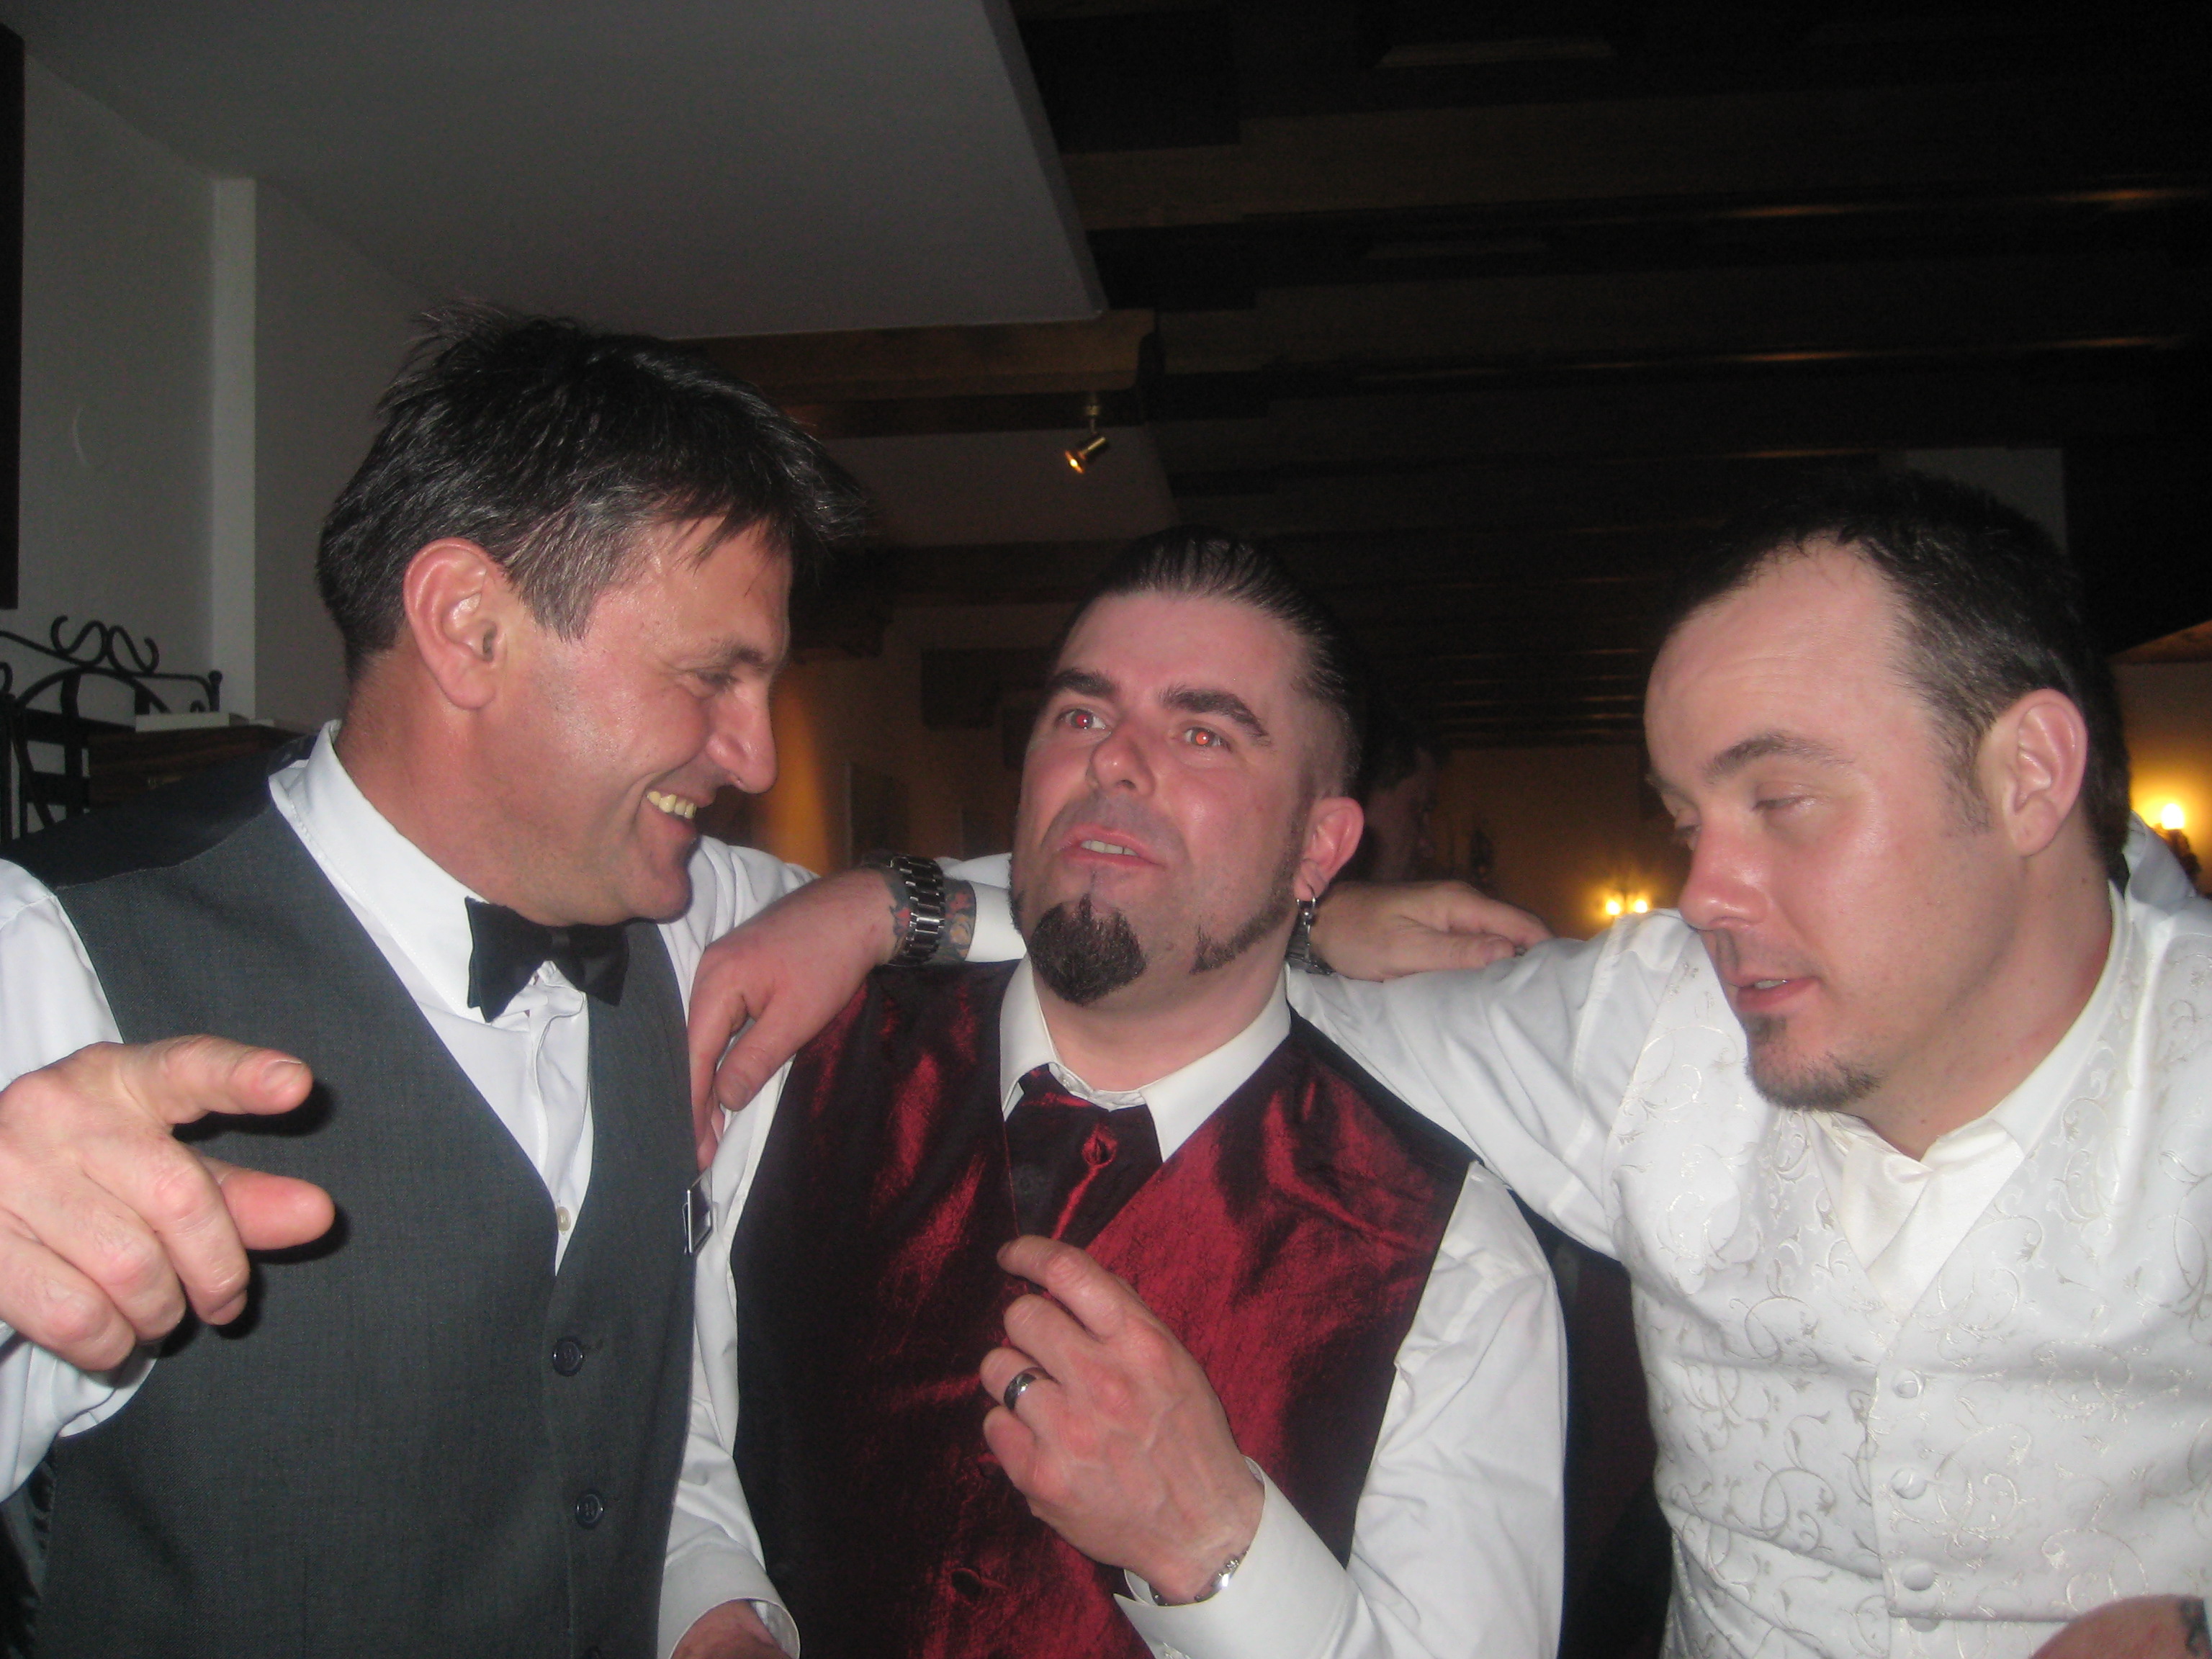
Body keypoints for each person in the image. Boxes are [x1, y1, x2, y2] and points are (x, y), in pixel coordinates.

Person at [0, 307, 974, 1658]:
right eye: (713, 677)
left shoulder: (683, 916)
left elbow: (1088, 913)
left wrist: (876, 905)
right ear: (468, 626)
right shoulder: (54, 956)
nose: (754, 757)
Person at [1286, 472, 2212, 1659]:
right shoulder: (1651, 1024)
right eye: (1688, 823)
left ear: (2026, 774)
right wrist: (1304, 928)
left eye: (1781, 799)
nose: (1703, 895)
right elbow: (1212, 1005)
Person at [666, 530, 1565, 1659]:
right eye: (1081, 714)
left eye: (1203, 733)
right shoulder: (798, 1058)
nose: (1115, 762)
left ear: (1318, 847)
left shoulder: (1451, 1258)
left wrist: (1213, 1544)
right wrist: (712, 1612)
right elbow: (672, 1420)